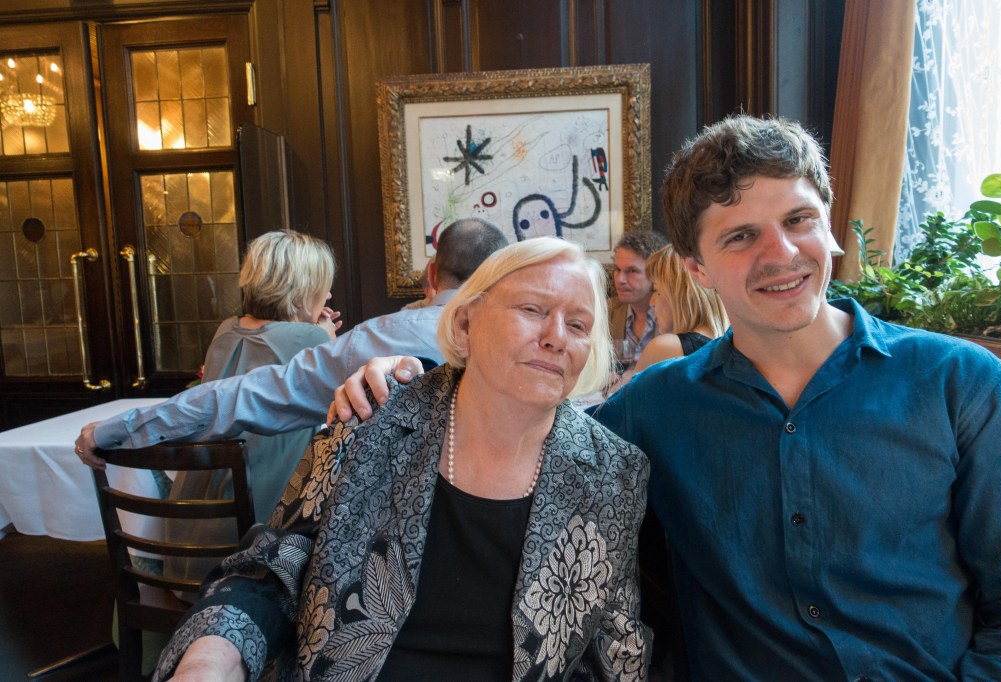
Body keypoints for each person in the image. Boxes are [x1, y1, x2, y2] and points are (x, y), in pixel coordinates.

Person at [333, 115, 1001, 679]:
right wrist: (416, 380)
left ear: (829, 224)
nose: (782, 253)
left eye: (799, 219)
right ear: (696, 268)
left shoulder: (960, 383)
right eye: (741, 236)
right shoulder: (655, 407)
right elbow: (525, 418)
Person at [153, 237, 652, 681]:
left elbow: (615, 646)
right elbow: (271, 569)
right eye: (533, 309)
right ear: (465, 324)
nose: (556, 336)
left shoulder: (612, 473)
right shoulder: (371, 420)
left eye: (578, 324)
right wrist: (210, 661)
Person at [73, 218, 509, 468]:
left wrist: (115, 429)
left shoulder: (376, 338)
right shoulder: (535, 343)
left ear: (431, 275)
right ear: (503, 276)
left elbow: (243, 395)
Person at [164, 228, 341, 589]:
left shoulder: (226, 330)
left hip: (192, 540)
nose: (328, 295)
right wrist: (325, 338)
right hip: (257, 547)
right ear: (303, 289)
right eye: (323, 286)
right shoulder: (310, 339)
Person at [609, 244, 729, 393]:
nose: (652, 302)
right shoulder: (729, 343)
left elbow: (625, 405)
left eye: (657, 290)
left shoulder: (665, 347)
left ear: (679, 296)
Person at [608, 230, 669, 362]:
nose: (620, 279)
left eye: (632, 271)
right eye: (617, 269)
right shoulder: (607, 311)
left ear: (655, 273)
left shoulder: (674, 315)